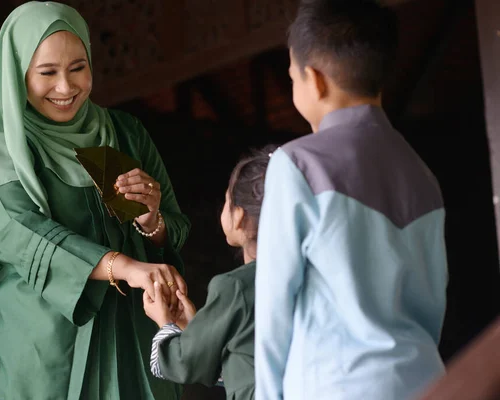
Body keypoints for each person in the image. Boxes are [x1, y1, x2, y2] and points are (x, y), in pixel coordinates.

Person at [0, 2, 190, 399]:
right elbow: (25, 236)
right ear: (17, 72)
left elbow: (175, 228)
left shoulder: (126, 132)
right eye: (47, 73)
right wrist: (127, 268)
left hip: (132, 331)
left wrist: (151, 219)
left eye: (78, 68)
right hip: (46, 341)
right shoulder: (0, 149)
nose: (66, 88)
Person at [254, 1, 448, 399]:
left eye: (293, 78)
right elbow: (432, 310)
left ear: (315, 80)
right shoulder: (424, 177)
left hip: (336, 385)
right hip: (426, 382)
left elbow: (274, 311)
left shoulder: (298, 164)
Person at [142, 145, 276, 400]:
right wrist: (196, 329)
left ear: (239, 216)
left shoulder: (236, 286)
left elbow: (183, 363)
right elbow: (248, 359)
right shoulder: (311, 273)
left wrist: (166, 324)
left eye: (227, 200)